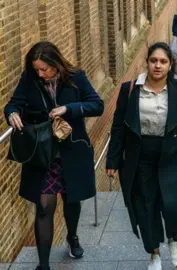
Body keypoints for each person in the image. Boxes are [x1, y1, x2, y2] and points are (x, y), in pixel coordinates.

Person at [105, 42, 177, 270]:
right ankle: (154, 253)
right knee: (146, 206)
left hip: (174, 157)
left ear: (170, 64)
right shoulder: (129, 90)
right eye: (154, 61)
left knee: (173, 203)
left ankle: (174, 241)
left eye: (163, 61)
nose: (158, 66)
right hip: (140, 157)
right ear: (147, 62)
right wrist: (112, 160)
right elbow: (118, 127)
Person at [4, 41, 104, 270]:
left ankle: (72, 236)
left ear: (56, 64)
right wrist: (11, 114)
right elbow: (13, 104)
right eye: (36, 69)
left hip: (73, 153)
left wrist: (69, 109)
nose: (40, 74)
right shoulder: (29, 80)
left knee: (72, 201)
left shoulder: (77, 77)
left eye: (44, 69)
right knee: (44, 206)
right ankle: (44, 264)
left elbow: (97, 105)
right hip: (42, 155)